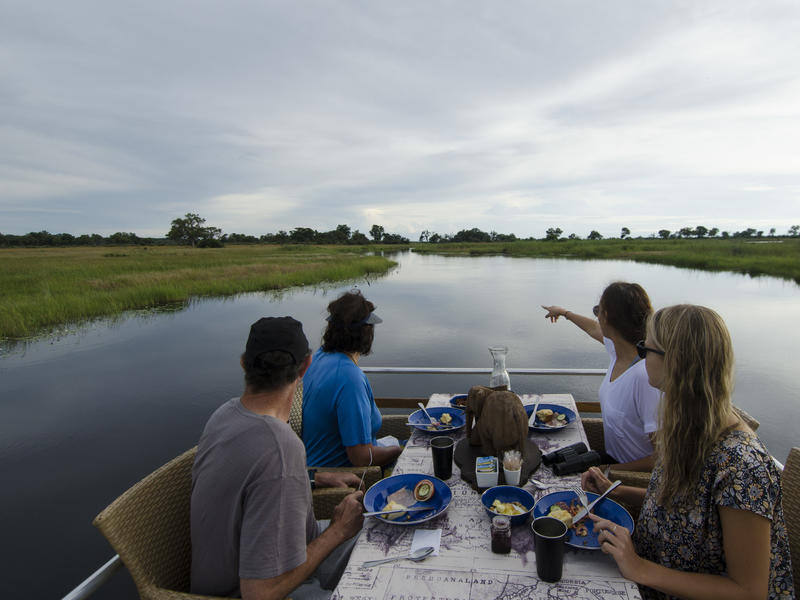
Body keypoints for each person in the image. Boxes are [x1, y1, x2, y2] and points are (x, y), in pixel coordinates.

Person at [582, 304, 794, 599]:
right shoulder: (688, 428)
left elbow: (749, 591)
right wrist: (616, 490)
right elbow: (688, 510)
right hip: (649, 573)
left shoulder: (742, 466)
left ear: (676, 363)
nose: (641, 359)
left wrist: (639, 567)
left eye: (645, 350)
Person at [190, 316, 365, 600]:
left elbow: (255, 482)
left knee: (378, 529)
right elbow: (260, 593)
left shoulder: (222, 416)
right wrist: (338, 531)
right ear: (305, 366)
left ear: (244, 363)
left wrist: (314, 478)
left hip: (277, 558)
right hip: (257, 590)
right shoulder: (281, 448)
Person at [541, 282, 660, 471]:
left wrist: (606, 471)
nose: (596, 317)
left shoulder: (645, 378)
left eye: (598, 310)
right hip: (610, 458)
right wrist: (564, 313)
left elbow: (662, 459)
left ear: (606, 317)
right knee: (547, 459)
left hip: (629, 475)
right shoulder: (619, 349)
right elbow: (593, 329)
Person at [302, 290, 403, 468]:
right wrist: (399, 451)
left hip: (313, 464)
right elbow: (362, 458)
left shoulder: (319, 357)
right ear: (366, 332)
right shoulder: (350, 379)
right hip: (343, 473)